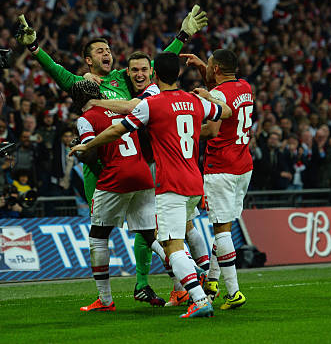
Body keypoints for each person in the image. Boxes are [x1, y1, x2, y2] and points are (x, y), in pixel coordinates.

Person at [15, 5, 207, 306]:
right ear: (88, 60)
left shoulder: (123, 77)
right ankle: (189, 277)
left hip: (123, 167)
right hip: (106, 168)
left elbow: (157, 66)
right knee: (149, 232)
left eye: (108, 49)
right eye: (100, 50)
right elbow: (55, 70)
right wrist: (35, 48)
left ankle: (145, 286)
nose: (107, 53)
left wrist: (181, 36)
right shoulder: (82, 85)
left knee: (116, 233)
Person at [70, 52, 231, 318]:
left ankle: (199, 297)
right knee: (174, 236)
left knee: (171, 245)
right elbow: (225, 112)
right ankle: (198, 275)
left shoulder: (152, 104)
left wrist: (89, 143)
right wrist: (208, 97)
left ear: (155, 75)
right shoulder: (193, 101)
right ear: (178, 74)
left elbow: (117, 130)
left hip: (170, 183)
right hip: (194, 180)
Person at [71, 80, 166, 311]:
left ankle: (105, 300)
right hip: (143, 173)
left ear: (76, 101)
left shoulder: (85, 119)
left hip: (116, 175)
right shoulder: (121, 108)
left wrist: (79, 149)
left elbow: (91, 155)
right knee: (149, 235)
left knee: (98, 235)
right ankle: (191, 272)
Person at [182, 49, 252, 310]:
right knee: (223, 226)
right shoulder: (244, 86)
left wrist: (182, 133)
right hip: (243, 165)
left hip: (222, 166)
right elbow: (224, 93)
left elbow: (212, 129)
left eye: (209, 66)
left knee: (221, 230)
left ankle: (233, 292)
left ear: (217, 70)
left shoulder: (219, 95)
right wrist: (204, 67)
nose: (207, 69)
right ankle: (212, 281)